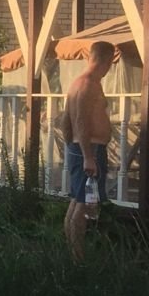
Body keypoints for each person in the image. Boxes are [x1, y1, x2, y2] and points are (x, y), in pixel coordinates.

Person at [63, 40, 116, 260]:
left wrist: (71, 146)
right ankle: (78, 259)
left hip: (80, 148)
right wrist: (87, 156)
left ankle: (72, 253)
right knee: (84, 204)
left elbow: (66, 120)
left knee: (77, 200)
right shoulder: (88, 84)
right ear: (108, 60)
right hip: (89, 149)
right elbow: (80, 120)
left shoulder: (78, 83)